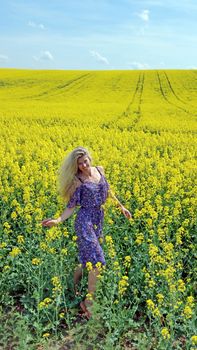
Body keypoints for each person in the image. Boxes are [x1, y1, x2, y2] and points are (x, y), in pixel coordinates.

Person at [42, 146, 131, 318]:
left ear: (89, 158)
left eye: (85, 161)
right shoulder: (77, 181)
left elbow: (109, 191)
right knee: (97, 262)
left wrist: (121, 207)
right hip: (84, 221)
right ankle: (88, 304)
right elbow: (71, 207)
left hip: (98, 219)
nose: (83, 165)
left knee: (87, 261)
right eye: (79, 164)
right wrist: (58, 220)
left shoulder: (100, 170)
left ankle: (71, 283)